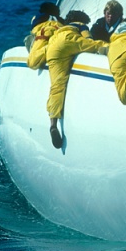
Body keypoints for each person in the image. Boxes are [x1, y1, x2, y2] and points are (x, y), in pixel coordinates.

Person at [47, 10, 107, 149]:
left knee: (56, 86)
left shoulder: (62, 27)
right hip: (69, 42)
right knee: (97, 46)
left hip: (53, 46)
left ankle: (53, 124)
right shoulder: (81, 25)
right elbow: (89, 41)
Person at [26, 2, 64, 69]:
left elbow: (32, 64)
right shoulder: (60, 20)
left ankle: (50, 48)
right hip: (60, 34)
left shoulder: (37, 18)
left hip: (45, 34)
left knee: (32, 62)